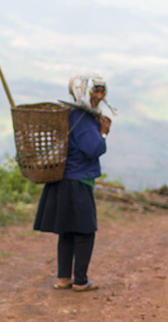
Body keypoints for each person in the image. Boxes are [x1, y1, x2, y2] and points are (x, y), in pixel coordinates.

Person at [33, 74, 114, 292]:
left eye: (101, 91)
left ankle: (63, 278)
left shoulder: (70, 114)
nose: (98, 96)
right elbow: (93, 149)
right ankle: (80, 280)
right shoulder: (84, 119)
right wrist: (103, 134)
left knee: (66, 229)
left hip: (62, 179)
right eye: (94, 91)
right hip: (78, 181)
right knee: (85, 231)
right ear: (83, 92)